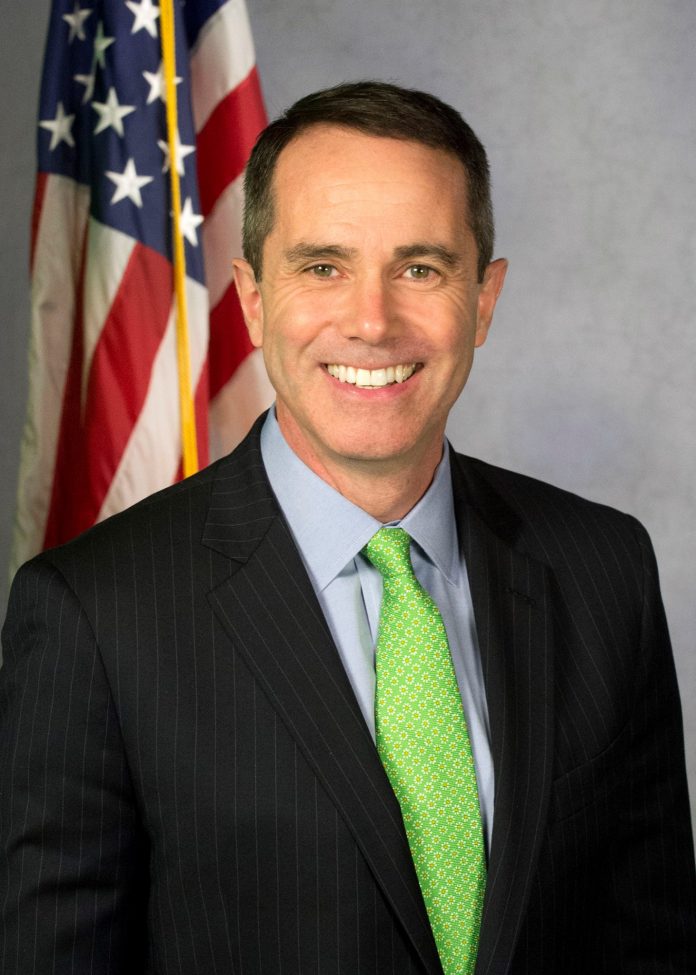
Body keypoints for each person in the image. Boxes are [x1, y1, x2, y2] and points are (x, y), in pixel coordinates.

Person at [1, 81, 695, 975]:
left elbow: (652, 947)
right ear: (253, 299)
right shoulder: (94, 614)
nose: (372, 321)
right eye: (323, 266)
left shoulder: (605, 567)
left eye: (421, 268)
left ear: (484, 299)